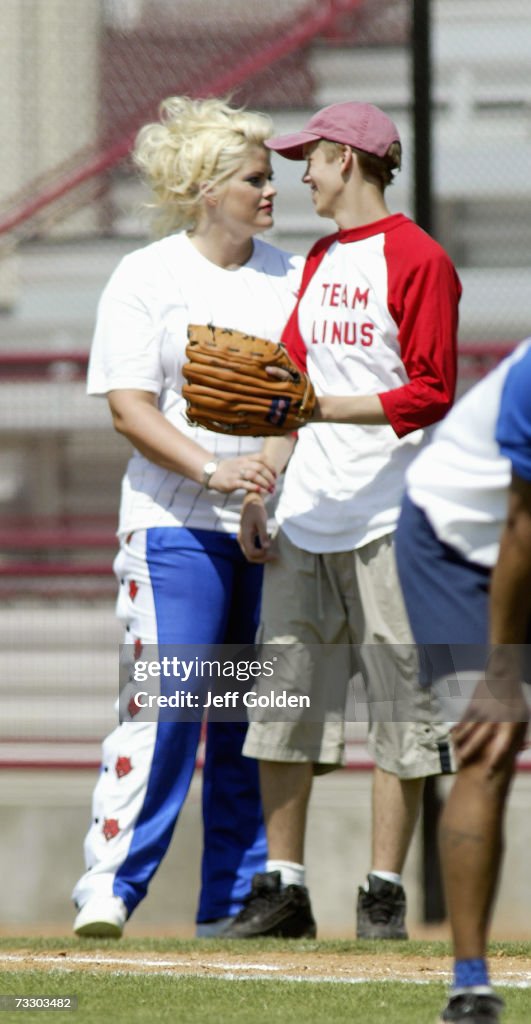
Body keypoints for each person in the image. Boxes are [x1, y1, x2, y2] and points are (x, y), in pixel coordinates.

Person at [222, 101, 462, 940]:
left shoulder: (419, 258)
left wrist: (325, 405)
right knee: (281, 703)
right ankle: (283, 888)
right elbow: (292, 388)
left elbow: (430, 390)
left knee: (401, 711)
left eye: (312, 160)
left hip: (391, 521)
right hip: (306, 519)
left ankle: (382, 894)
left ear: (349, 160)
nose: (302, 175)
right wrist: (262, 485)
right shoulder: (319, 259)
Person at [71, 95, 304, 938]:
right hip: (171, 528)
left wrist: (260, 487)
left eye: (271, 177)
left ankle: (233, 910)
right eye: (254, 178)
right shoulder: (145, 275)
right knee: (168, 709)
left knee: (247, 724)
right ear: (208, 189)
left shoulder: (289, 277)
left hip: (260, 530)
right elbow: (130, 409)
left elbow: (294, 412)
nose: (271, 191)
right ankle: (109, 888)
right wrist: (213, 471)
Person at [395, 339, 531, 1023]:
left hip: (517, 539)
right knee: (489, 743)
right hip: (453, 542)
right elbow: (520, 527)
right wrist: (501, 674)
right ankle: (469, 984)